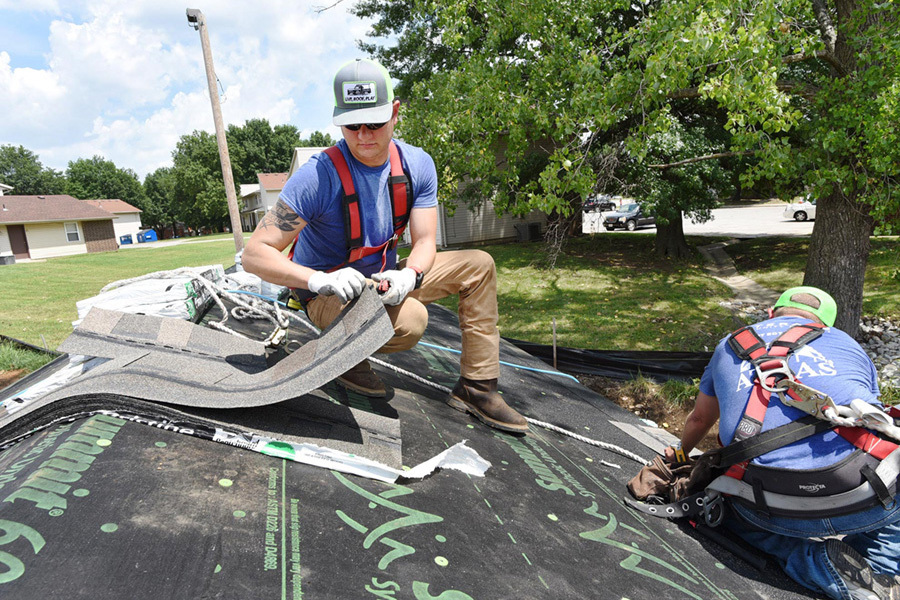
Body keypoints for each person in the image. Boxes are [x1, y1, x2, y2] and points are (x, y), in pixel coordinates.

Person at [242, 58, 527, 434]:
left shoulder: (417, 166)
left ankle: (477, 388)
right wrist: (315, 281)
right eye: (351, 125)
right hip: (332, 293)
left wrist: (410, 275)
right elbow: (254, 253)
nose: (363, 135)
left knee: (479, 263)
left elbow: (425, 241)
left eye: (374, 123)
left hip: (383, 278)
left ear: (395, 113)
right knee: (411, 321)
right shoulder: (316, 176)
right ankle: (346, 356)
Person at [666, 287, 899, 600]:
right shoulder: (846, 345)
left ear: (771, 315)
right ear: (826, 324)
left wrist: (680, 455)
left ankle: (815, 561)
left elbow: (698, 420)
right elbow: (870, 421)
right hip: (863, 495)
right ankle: (877, 574)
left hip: (769, 504)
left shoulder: (730, 344)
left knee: (726, 512)